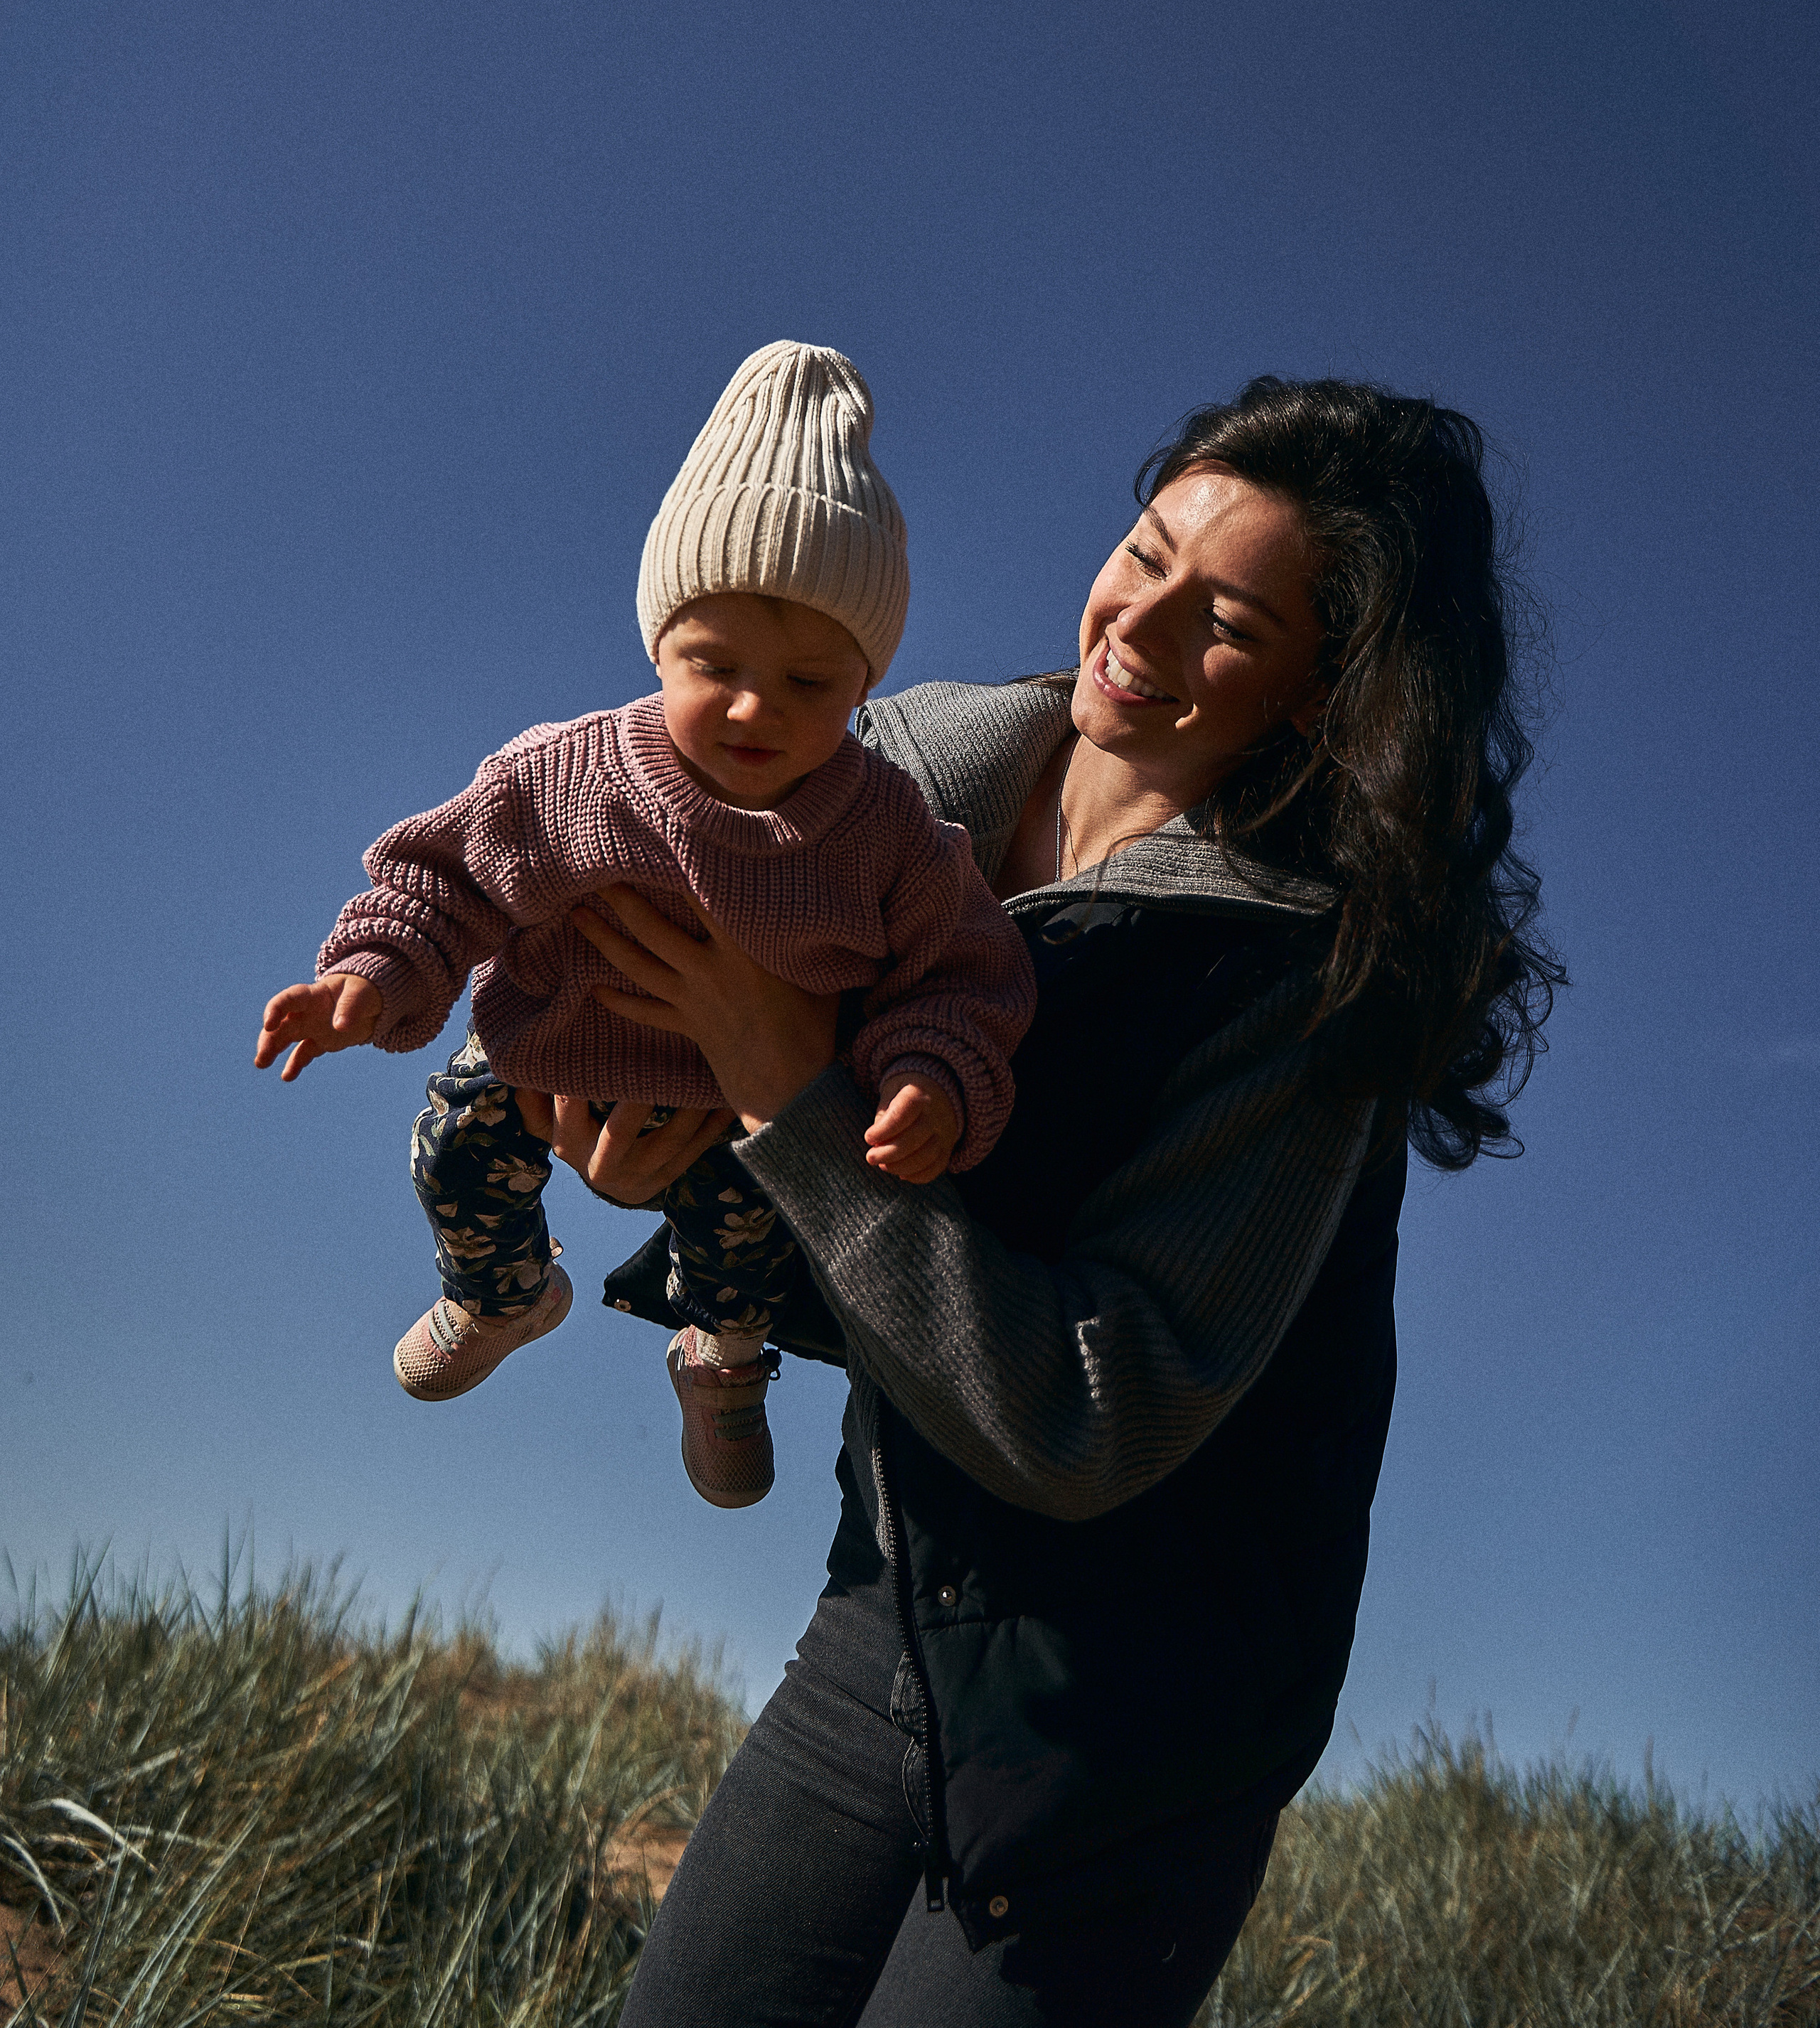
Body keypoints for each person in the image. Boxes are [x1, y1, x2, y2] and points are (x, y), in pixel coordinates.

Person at [544, 375, 1561, 2028]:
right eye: (1142, 552)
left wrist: (780, 1100)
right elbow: (775, 1079)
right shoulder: (899, 778)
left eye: (1224, 618)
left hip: (1135, 1732)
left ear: (1320, 695)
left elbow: (1087, 1413)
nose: (1137, 627)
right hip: (886, 1618)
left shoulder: (1302, 985)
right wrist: (656, 1111)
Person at [252, 341, 1035, 1507]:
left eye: (809, 683)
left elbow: (963, 970)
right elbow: (447, 877)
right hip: (539, 1048)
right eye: (713, 663)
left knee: (744, 1237)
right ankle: (502, 1289)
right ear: (657, 643)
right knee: (457, 1147)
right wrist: (371, 971)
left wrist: (935, 1075)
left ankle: (721, 1365)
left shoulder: (888, 835)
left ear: (868, 683)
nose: (755, 706)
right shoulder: (571, 774)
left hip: (730, 1104)